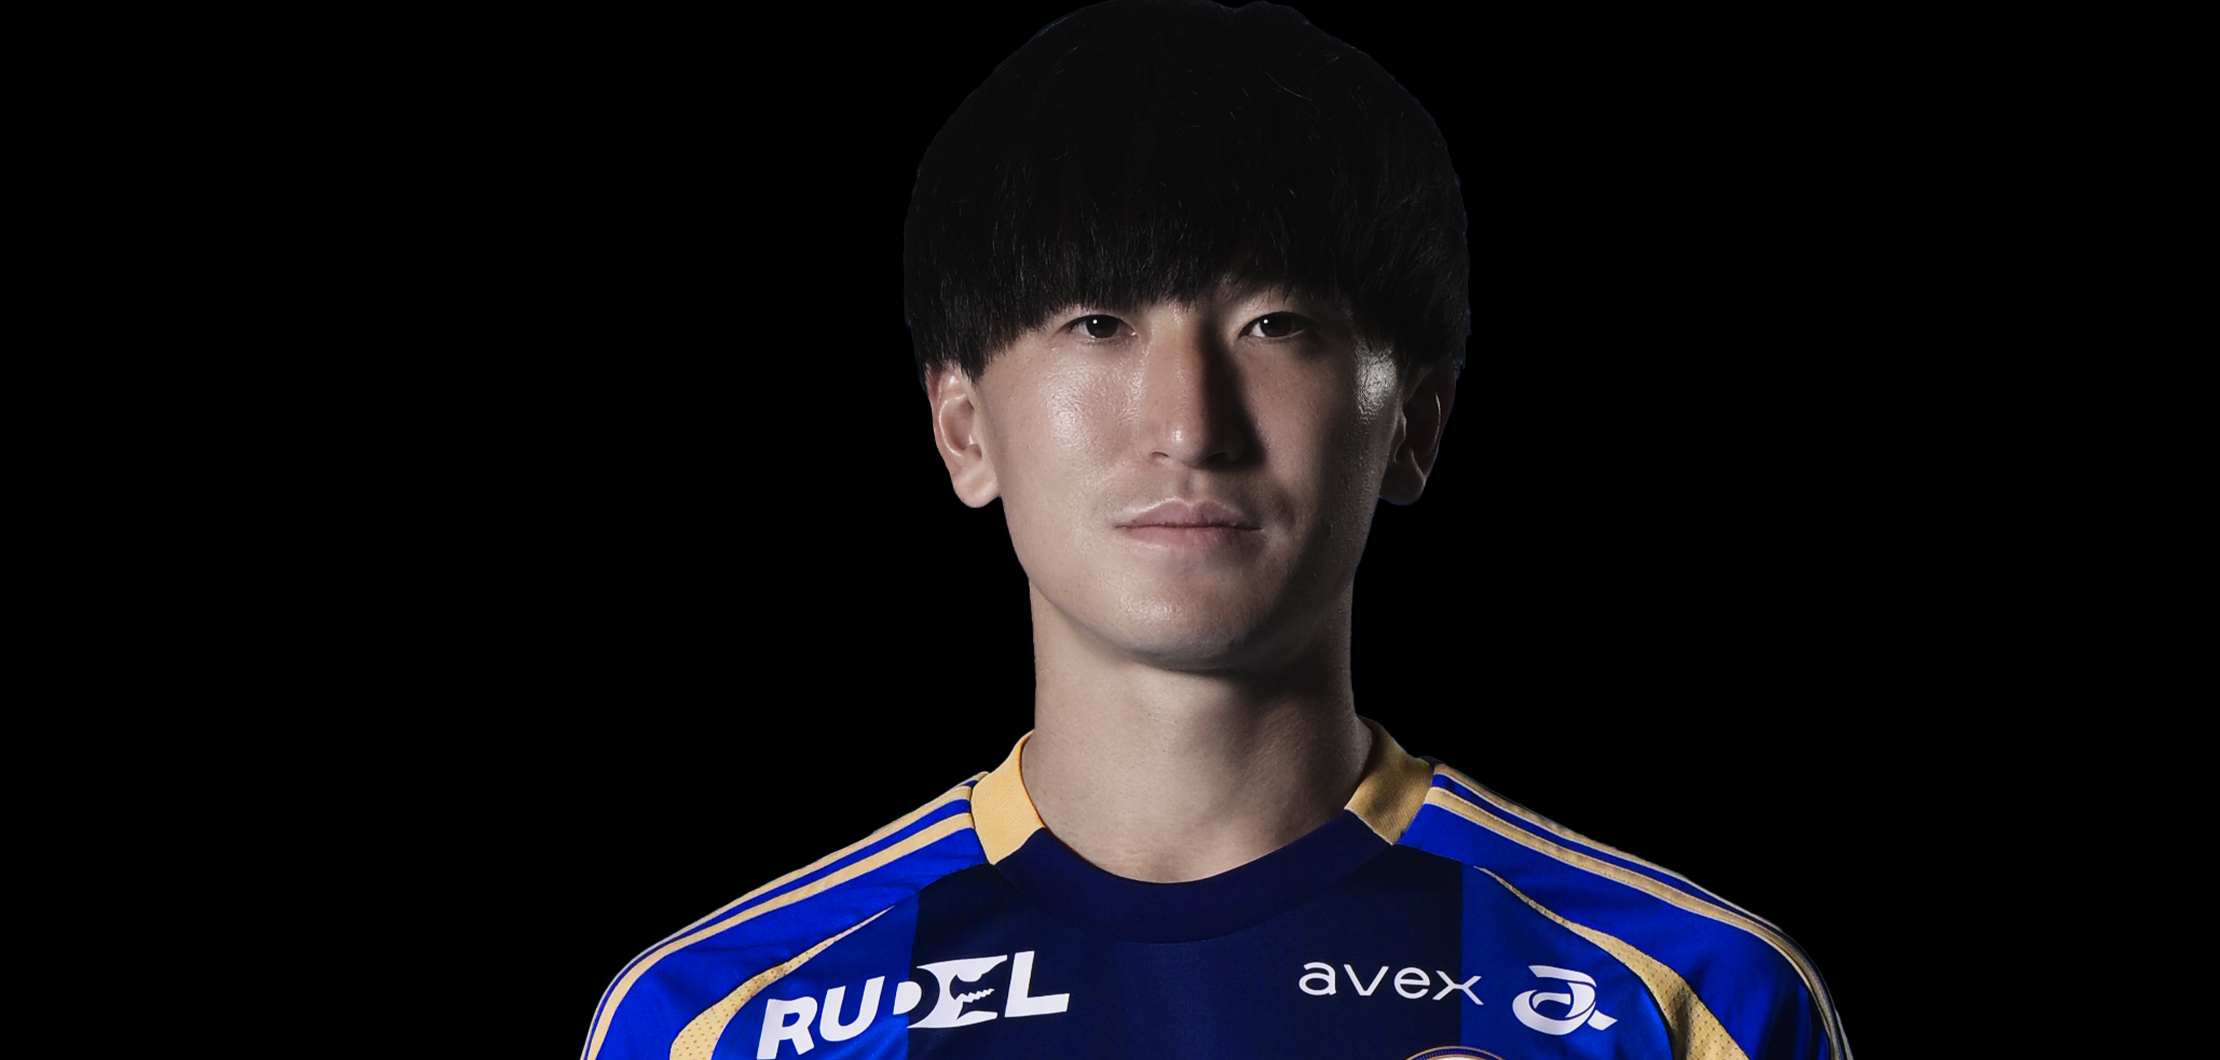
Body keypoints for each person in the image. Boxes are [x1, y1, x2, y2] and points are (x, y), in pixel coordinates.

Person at [582, 2, 1846, 1056]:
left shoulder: (1691, 1004)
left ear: (1414, 423)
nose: (1190, 423)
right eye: (1099, 323)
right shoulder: (717, 1022)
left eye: (1275, 325)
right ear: (963, 429)